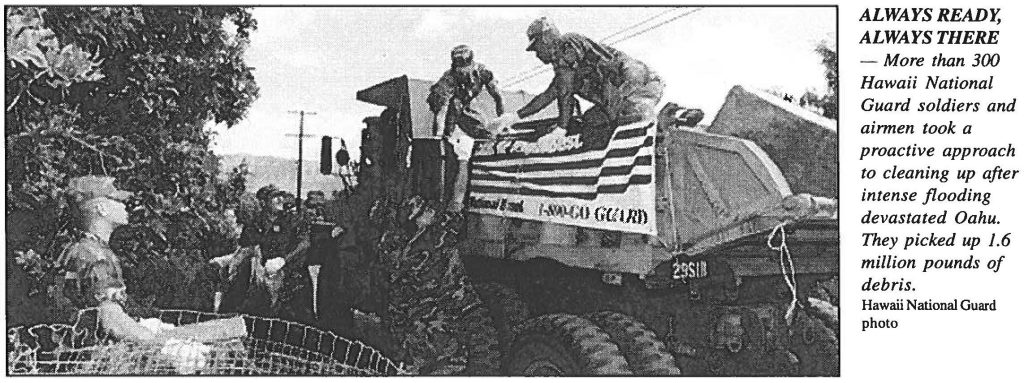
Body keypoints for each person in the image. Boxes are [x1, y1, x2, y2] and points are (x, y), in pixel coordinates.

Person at [493, 17, 665, 131]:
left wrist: (561, 128)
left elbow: (565, 93)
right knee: (590, 123)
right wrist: (514, 117)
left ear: (545, 39)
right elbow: (548, 96)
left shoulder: (566, 43)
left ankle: (659, 137)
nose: (536, 54)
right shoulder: (564, 69)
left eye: (536, 47)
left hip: (639, 87)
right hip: (615, 101)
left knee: (635, 119)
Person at [427, 45, 504, 211]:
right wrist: (439, 136)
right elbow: (441, 111)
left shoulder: (483, 72)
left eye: (465, 68)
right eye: (458, 68)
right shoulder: (448, 79)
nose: (462, 72)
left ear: (472, 64)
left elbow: (498, 97)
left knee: (487, 136)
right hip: (451, 111)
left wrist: (503, 122)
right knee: (463, 151)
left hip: (468, 109)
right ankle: (455, 203)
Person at [59, 176, 134, 311]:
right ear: (101, 208)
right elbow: (110, 317)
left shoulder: (86, 248)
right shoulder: (95, 254)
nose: (125, 206)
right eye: (117, 200)